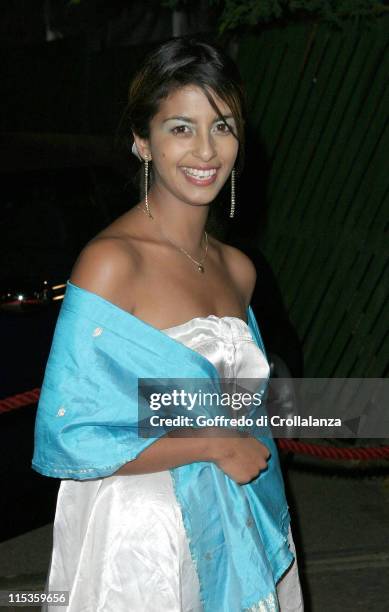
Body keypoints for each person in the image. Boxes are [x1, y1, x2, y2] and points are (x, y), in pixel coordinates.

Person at [33, 36, 304, 611]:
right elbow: (70, 433)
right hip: (141, 541)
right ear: (142, 140)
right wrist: (209, 442)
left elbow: (245, 407)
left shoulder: (238, 269)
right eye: (181, 127)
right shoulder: (112, 262)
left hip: (235, 519)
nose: (206, 150)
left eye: (223, 126)